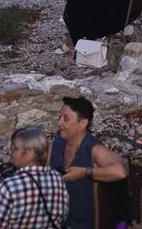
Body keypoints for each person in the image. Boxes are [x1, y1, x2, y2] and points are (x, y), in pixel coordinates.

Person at [50, 96, 129, 229]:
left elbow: (120, 171)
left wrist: (84, 173)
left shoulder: (94, 149)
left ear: (82, 124)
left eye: (66, 119)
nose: (59, 123)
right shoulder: (57, 144)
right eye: (59, 117)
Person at [0, 126, 69, 229]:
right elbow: (63, 217)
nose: (11, 153)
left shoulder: (9, 186)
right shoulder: (58, 179)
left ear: (29, 153)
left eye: (14, 148)